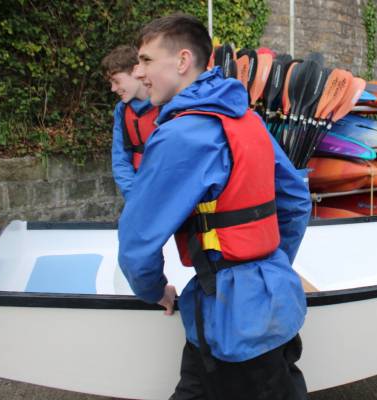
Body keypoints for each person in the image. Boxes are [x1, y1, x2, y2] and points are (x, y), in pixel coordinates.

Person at [118, 14, 312, 400]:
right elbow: (296, 200)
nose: (138, 72)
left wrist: (154, 290)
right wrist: (269, 265)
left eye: (146, 60)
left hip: (232, 323)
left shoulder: (180, 135)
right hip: (270, 304)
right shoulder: (247, 120)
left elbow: (138, 241)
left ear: (183, 61)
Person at [101, 45, 159, 198]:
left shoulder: (167, 104)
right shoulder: (122, 110)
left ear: (135, 71)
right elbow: (120, 160)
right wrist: (135, 197)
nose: (113, 88)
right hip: (137, 191)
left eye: (116, 81)